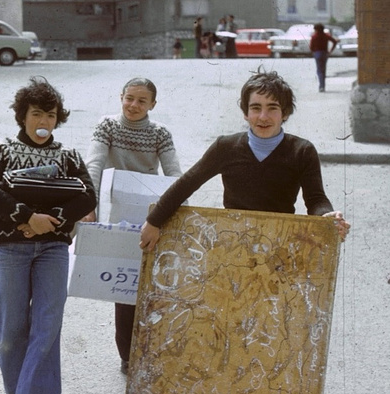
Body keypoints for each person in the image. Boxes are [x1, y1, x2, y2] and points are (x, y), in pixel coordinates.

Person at [0, 77, 97, 394]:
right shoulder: (0, 149)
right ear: (22, 116)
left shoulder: (69, 156)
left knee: (47, 323)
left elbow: (87, 196)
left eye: (51, 114)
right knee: (12, 327)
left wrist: (51, 221)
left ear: (58, 119)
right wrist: (27, 218)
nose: (44, 121)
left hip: (54, 249)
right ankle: (21, 391)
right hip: (10, 248)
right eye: (36, 114)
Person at [139, 70, 351, 256]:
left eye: (272, 108)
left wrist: (326, 216)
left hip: (280, 242)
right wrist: (154, 221)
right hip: (232, 243)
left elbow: (316, 199)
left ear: (285, 113)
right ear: (245, 112)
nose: (263, 116)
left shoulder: (302, 151)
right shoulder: (225, 147)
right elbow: (186, 184)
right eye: (256, 108)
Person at [81, 78, 182, 375]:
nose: (133, 105)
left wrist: (171, 214)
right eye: (129, 98)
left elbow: (175, 174)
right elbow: (94, 165)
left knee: (155, 286)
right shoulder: (107, 126)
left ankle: (152, 350)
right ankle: (127, 355)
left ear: (153, 104)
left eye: (141, 100)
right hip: (118, 212)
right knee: (124, 286)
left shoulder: (160, 133)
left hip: (152, 213)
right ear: (120, 97)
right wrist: (91, 206)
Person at [310, 23, 339, 92]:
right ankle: (323, 86)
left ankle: (321, 86)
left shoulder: (314, 36)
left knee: (319, 70)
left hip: (317, 53)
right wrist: (330, 51)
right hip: (324, 53)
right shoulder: (326, 36)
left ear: (316, 29)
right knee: (323, 70)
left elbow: (311, 47)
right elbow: (334, 42)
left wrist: (313, 52)